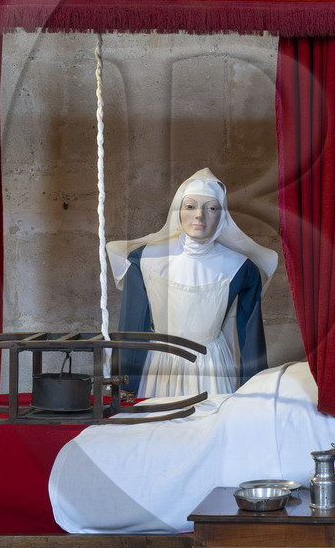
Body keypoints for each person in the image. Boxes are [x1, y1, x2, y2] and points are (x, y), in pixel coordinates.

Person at [107, 168, 277, 400]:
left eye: (212, 208)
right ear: (178, 211)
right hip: (160, 367)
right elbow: (133, 326)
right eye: (190, 206)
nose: (199, 215)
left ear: (222, 216)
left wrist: (255, 388)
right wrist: (127, 381)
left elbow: (250, 334)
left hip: (213, 368)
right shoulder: (144, 260)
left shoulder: (241, 268)